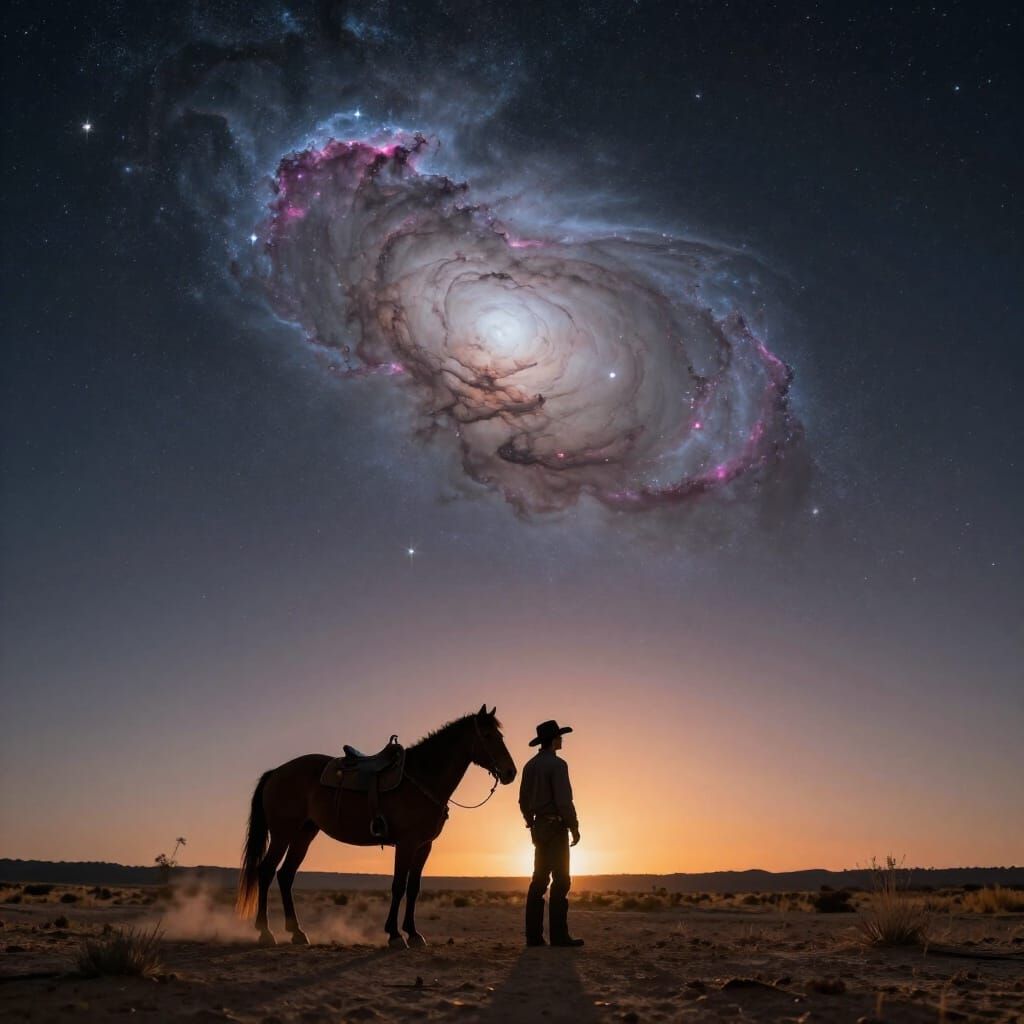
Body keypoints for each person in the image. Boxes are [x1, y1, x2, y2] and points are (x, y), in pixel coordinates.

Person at [518, 719, 584, 948]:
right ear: (553, 740)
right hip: (556, 828)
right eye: (559, 736)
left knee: (538, 881)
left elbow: (523, 801)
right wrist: (574, 826)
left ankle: (533, 937)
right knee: (561, 880)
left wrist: (531, 824)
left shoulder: (529, 766)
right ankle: (559, 936)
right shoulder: (558, 765)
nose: (562, 739)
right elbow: (564, 801)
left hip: (539, 828)